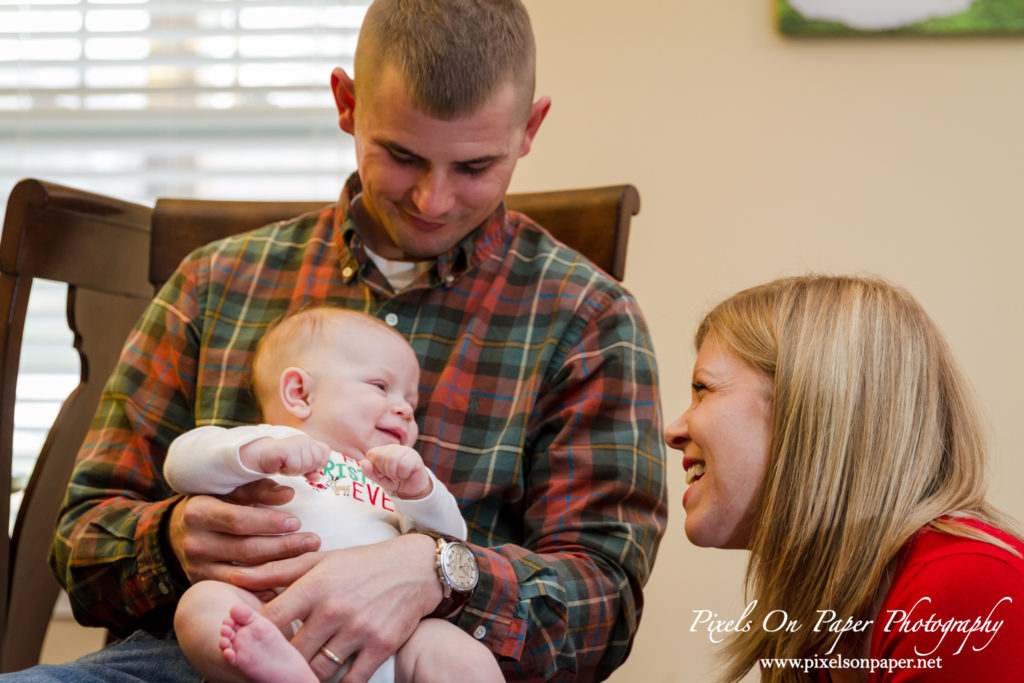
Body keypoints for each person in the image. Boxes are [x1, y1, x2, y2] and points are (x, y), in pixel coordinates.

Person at [18, 1, 667, 681]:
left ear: (529, 127)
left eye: (474, 167)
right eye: (402, 155)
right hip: (198, 659)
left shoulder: (588, 318)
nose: (433, 200)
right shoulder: (215, 281)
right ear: (347, 103)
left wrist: (441, 570)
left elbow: (605, 599)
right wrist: (174, 540)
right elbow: (81, 540)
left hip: (421, 659)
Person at [664, 274, 1024, 682]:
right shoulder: (813, 620)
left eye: (703, 389)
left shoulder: (968, 592)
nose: (673, 429)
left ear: (814, 407)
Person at [166, 306, 501, 683]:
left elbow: (454, 542)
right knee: (202, 606)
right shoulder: (269, 446)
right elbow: (181, 463)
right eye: (381, 386)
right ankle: (282, 675)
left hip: (389, 638)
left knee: (460, 654)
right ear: (300, 393)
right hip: (274, 619)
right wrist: (251, 453)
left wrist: (422, 491)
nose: (405, 409)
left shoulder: (390, 477)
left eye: (412, 403)